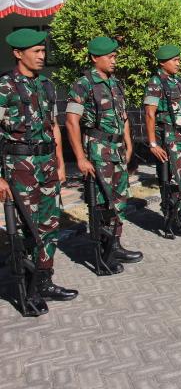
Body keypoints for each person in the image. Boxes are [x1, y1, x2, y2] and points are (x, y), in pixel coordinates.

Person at [0, 28, 77, 315]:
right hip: (20, 167)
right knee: (26, 228)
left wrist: (60, 163)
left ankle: (44, 280)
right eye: (36, 51)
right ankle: (25, 290)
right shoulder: (5, 87)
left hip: (47, 164)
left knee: (49, 225)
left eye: (43, 50)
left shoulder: (46, 85)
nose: (42, 55)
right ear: (18, 53)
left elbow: (53, 126)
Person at [65, 36, 143, 275]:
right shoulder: (83, 84)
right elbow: (71, 121)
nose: (114, 60)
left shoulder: (116, 83)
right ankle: (101, 253)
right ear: (94, 58)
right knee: (101, 203)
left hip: (118, 150)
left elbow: (124, 117)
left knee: (119, 201)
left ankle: (114, 245)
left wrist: (129, 144)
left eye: (115, 56)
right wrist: (80, 158)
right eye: (110, 56)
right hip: (98, 152)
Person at [143, 44, 181, 236]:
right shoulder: (155, 83)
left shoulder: (178, 81)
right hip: (170, 138)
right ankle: (173, 218)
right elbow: (149, 114)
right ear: (163, 62)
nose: (178, 63)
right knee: (176, 179)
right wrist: (153, 143)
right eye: (174, 60)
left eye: (178, 60)